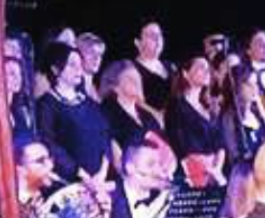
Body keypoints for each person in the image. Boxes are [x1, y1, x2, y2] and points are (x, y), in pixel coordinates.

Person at [35, 42, 114, 183]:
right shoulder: (47, 105)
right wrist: (78, 172)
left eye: (80, 64)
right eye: (72, 65)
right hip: (69, 182)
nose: (79, 70)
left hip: (100, 179)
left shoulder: (89, 102)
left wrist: (103, 170)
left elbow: (105, 133)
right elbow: (49, 143)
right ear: (55, 69)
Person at [166, 55, 227, 184]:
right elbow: (181, 145)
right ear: (186, 74)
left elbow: (220, 143)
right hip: (192, 173)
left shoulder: (209, 107)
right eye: (200, 67)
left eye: (207, 68)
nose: (206, 71)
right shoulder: (176, 106)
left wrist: (217, 168)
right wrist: (207, 167)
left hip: (214, 172)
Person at [99, 59, 166, 157]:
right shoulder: (107, 115)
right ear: (115, 87)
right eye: (131, 79)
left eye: (138, 77)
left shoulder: (147, 116)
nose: (137, 82)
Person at [132, 21, 174, 118]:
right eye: (151, 35)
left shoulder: (171, 66)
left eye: (160, 35)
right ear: (138, 42)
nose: (158, 39)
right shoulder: (131, 69)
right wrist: (157, 115)